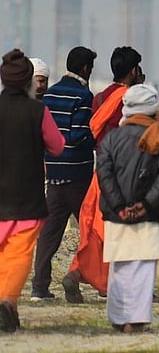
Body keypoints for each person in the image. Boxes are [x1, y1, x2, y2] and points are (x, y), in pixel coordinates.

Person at [64, 46, 144, 303]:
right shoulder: (133, 99)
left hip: (101, 173)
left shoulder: (99, 98)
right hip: (125, 174)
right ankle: (111, 284)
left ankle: (77, 274)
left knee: (95, 230)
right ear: (134, 71)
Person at [97, 84, 159, 333]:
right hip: (151, 214)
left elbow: (104, 174)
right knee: (144, 269)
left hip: (116, 214)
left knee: (120, 267)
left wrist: (120, 206)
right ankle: (137, 319)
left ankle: (119, 318)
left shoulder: (112, 138)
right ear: (154, 109)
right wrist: (145, 205)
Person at [0, 49, 65, 332]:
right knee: (19, 252)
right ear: (28, 81)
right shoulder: (39, 111)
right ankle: (7, 301)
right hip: (27, 195)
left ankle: (5, 304)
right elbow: (58, 146)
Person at [31, 46, 97, 301]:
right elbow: (78, 135)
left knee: (49, 235)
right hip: (78, 175)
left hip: (54, 173)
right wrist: (95, 137)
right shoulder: (83, 95)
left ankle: (39, 286)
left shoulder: (50, 94)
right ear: (85, 69)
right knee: (92, 231)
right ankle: (93, 281)